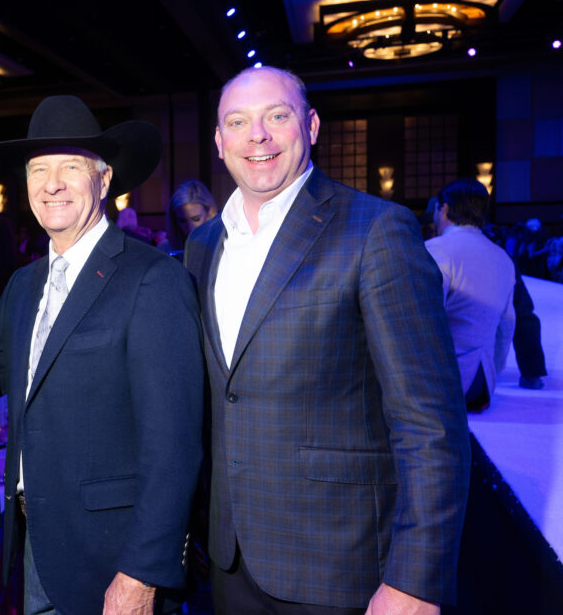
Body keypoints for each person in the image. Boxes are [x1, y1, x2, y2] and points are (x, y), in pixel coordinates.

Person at [184, 66, 470, 614]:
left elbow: (430, 421)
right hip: (229, 558)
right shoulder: (202, 246)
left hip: (341, 563)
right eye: (238, 122)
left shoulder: (375, 229)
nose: (257, 135)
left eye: (277, 116)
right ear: (219, 143)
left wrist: (416, 580)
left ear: (311, 126)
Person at [0, 95, 204, 614]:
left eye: (70, 168)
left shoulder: (153, 279)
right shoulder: (21, 287)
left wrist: (143, 573)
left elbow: (174, 445)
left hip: (111, 564)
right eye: (39, 169)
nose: (51, 183)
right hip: (31, 551)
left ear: (103, 182)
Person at [426, 179, 516, 412]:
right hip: (482, 382)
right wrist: (493, 372)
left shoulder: (437, 249)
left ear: (444, 208)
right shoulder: (503, 258)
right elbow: (506, 327)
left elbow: (421, 321)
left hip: (443, 385)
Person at [161, 180, 218, 254]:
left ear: (209, 213)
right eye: (182, 221)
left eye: (196, 219)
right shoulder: (165, 249)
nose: (190, 228)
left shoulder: (221, 245)